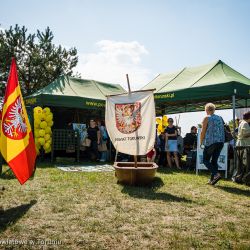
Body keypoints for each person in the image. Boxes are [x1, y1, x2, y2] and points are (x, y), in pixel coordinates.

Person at [200, 103, 225, 185]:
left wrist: (201, 142)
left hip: (211, 142)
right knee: (214, 161)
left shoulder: (207, 118)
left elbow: (202, 132)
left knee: (205, 160)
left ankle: (216, 174)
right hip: (220, 142)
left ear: (206, 110)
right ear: (214, 109)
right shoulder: (220, 118)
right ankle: (212, 180)